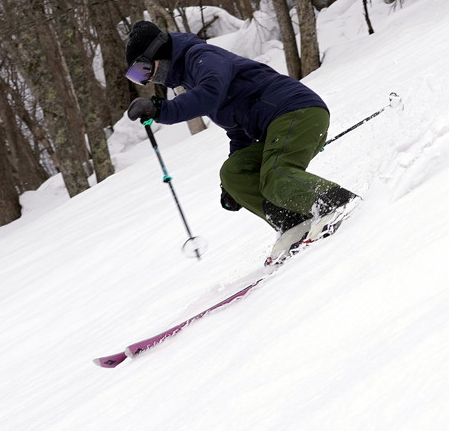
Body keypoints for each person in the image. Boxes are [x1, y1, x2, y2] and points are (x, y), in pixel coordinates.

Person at [123, 21, 357, 259]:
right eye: (136, 77)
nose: (147, 79)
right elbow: (238, 131)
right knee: (234, 172)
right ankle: (294, 221)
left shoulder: (200, 56)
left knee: (275, 175)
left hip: (298, 111)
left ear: (159, 52)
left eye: (142, 69)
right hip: (277, 127)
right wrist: (234, 188)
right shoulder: (189, 80)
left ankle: (335, 202)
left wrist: (160, 110)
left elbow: (210, 93)